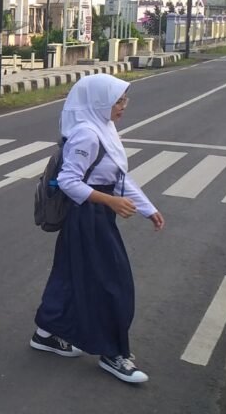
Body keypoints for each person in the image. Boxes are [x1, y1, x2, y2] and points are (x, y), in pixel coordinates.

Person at [30, 74, 165, 384]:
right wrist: (111, 202)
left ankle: (45, 333)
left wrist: (148, 208)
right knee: (113, 284)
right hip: (87, 216)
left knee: (68, 275)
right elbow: (68, 181)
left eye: (124, 100)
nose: (123, 106)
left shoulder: (105, 128)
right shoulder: (87, 135)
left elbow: (119, 177)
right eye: (118, 101)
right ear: (99, 102)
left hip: (96, 213)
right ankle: (113, 353)